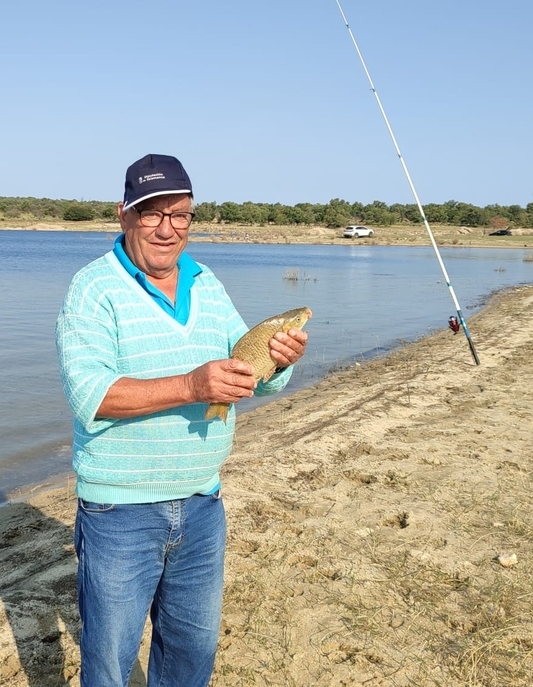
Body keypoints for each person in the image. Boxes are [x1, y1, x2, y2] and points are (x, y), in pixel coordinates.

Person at [55, 153, 308, 687]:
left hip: (202, 504)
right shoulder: (92, 288)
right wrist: (192, 387)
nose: (167, 229)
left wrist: (279, 362)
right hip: (119, 513)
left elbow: (249, 371)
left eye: (180, 215)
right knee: (108, 662)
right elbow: (91, 396)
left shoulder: (206, 282)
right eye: (152, 213)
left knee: (192, 654)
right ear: (124, 214)